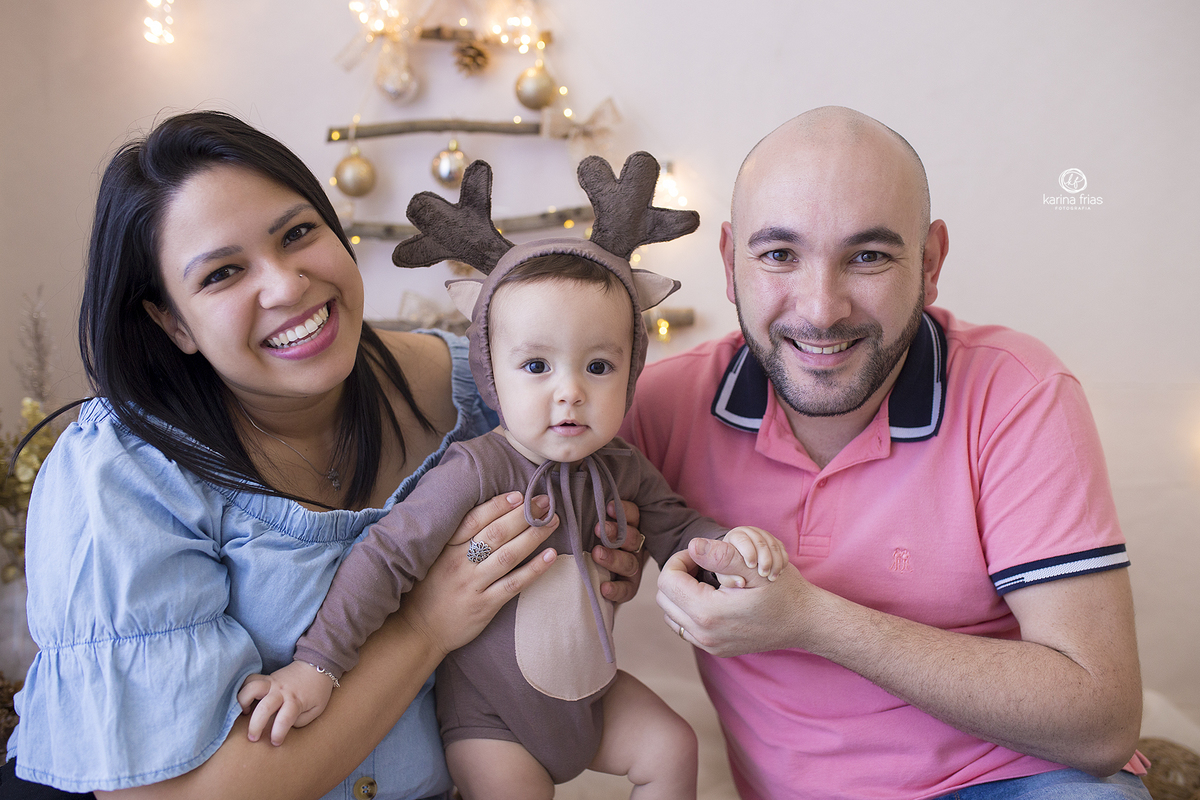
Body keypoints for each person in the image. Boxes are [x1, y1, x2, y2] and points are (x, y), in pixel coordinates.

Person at [2, 111, 648, 800]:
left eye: (298, 233)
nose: (286, 286)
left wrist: (603, 550)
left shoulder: (490, 389)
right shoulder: (122, 475)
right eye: (222, 274)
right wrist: (424, 626)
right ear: (172, 323)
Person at [623, 107, 1151, 800]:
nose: (821, 309)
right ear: (730, 263)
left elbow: (1102, 721)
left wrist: (811, 620)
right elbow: (510, 440)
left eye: (868, 256)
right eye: (779, 254)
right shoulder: (662, 407)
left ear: (930, 263)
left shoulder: (1018, 392)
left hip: (1024, 781)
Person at [238, 154, 786, 800]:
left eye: (600, 367)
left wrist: (729, 550)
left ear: (633, 369)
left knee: (674, 746)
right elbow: (385, 557)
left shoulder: (622, 468)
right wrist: (316, 666)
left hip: (593, 695)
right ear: (491, 373)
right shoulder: (477, 467)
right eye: (536, 367)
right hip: (491, 722)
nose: (570, 394)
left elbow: (678, 528)